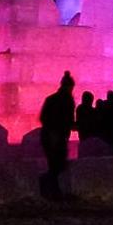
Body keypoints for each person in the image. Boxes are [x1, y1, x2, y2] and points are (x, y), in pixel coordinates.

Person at [39, 71, 76, 200]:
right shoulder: (67, 101)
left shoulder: (52, 99)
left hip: (52, 135)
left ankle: (52, 189)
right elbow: (68, 120)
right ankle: (50, 188)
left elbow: (43, 117)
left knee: (56, 164)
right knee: (57, 164)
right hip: (55, 136)